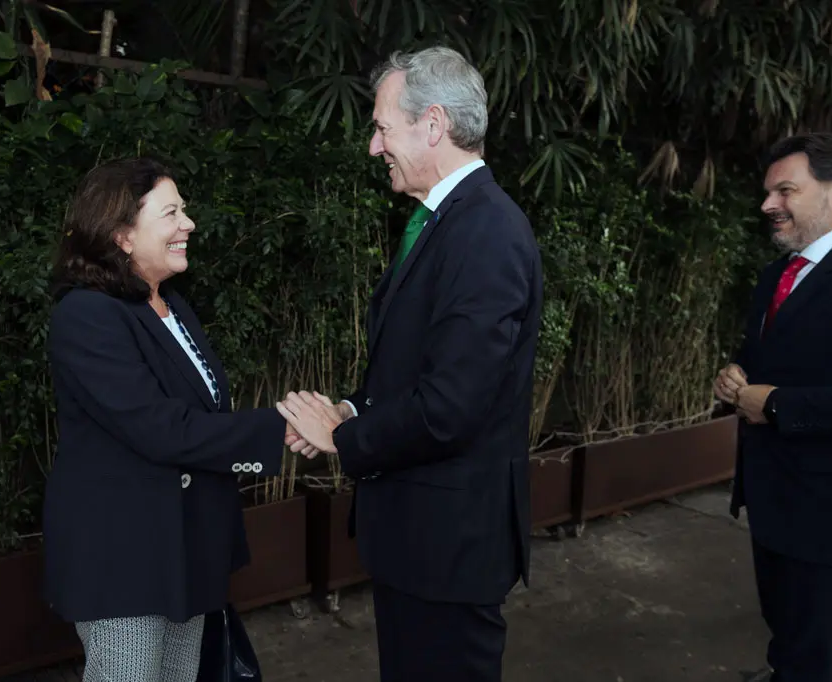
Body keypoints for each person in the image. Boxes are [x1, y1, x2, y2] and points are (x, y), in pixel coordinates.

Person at [278, 46, 542, 682]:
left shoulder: (485, 232)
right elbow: (417, 370)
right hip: (423, 541)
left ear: (432, 124)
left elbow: (451, 406)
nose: (374, 147)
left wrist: (342, 437)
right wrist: (352, 406)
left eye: (380, 128)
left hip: (450, 549)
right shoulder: (449, 220)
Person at [43, 157, 294, 682]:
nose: (189, 224)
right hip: (125, 560)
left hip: (187, 549)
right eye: (172, 212)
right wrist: (285, 427)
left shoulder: (168, 303)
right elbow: (162, 428)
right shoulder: (86, 315)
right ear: (123, 236)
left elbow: (199, 417)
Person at [713, 132, 832, 682]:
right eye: (768, 192)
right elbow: (762, 364)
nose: (769, 205)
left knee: (821, 657)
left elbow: (781, 397)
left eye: (786, 190)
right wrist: (733, 378)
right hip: (773, 504)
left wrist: (776, 405)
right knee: (790, 644)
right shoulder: (777, 275)